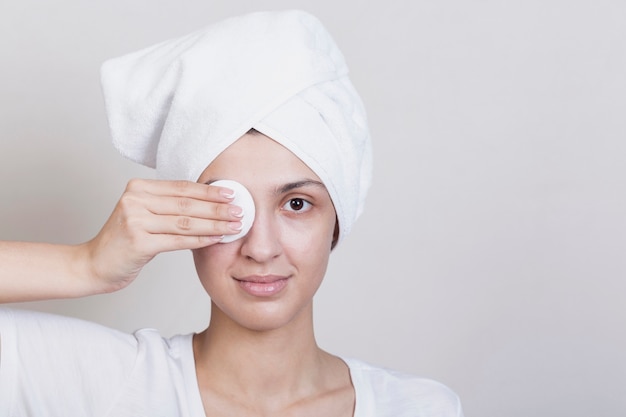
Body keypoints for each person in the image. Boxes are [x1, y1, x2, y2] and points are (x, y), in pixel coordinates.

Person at [0, 10, 464, 416]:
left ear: (336, 220)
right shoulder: (105, 385)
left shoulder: (421, 407)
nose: (260, 248)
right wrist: (87, 265)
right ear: (184, 219)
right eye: (227, 204)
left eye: (297, 204)